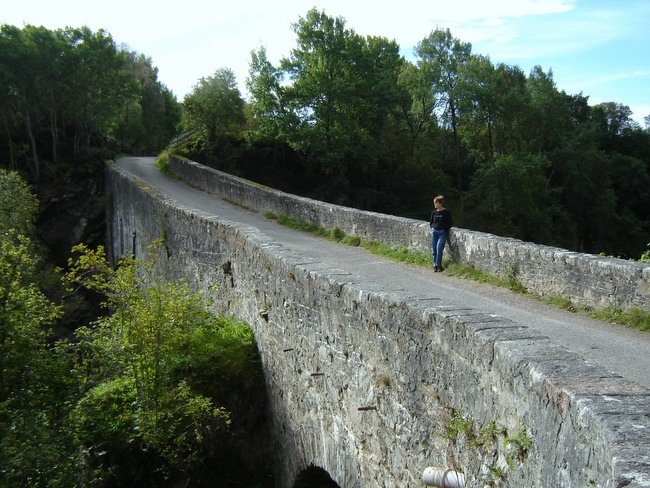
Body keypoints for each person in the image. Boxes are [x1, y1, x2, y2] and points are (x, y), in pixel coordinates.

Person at [429, 195, 452, 272]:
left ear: (440, 203)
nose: (434, 205)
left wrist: (444, 229)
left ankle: (439, 265)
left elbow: (450, 223)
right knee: (434, 250)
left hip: (442, 233)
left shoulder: (446, 212)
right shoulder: (434, 212)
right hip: (434, 232)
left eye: (436, 203)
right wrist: (433, 227)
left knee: (439, 249)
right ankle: (434, 265)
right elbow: (431, 222)